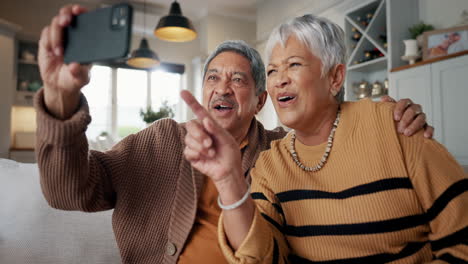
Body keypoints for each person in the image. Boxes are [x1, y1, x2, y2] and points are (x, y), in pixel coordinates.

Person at [36, 5, 433, 264]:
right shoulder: (159, 140)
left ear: (261, 100)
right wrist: (60, 99)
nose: (221, 89)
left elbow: (345, 158)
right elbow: (68, 192)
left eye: (237, 79)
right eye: (213, 77)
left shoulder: (284, 151)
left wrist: (391, 122)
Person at [182, 15, 468, 263]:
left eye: (293, 64)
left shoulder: (395, 126)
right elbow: (262, 257)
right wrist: (229, 180)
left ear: (335, 77)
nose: (279, 79)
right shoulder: (270, 164)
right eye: (272, 70)